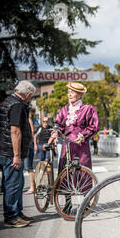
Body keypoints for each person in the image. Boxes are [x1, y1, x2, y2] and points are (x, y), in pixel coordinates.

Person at [51, 82, 99, 214]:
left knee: (83, 171)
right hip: (67, 144)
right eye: (69, 92)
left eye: (72, 92)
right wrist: (55, 132)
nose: (69, 94)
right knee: (64, 171)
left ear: (79, 95)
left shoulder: (88, 109)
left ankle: (86, 201)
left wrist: (83, 135)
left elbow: (94, 126)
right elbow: (58, 125)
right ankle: (67, 203)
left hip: (81, 145)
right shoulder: (64, 109)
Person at [0, 80, 36, 228]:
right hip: (10, 153)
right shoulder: (17, 105)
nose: (32, 99)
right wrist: (17, 156)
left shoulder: (9, 101)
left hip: (5, 150)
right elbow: (15, 131)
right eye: (32, 96)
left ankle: (17, 213)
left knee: (16, 184)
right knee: (13, 185)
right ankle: (12, 217)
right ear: (28, 94)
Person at [23, 108, 36, 195]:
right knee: (27, 167)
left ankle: (32, 187)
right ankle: (32, 187)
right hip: (26, 145)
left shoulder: (28, 119)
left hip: (28, 145)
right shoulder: (26, 119)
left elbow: (32, 131)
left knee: (29, 167)